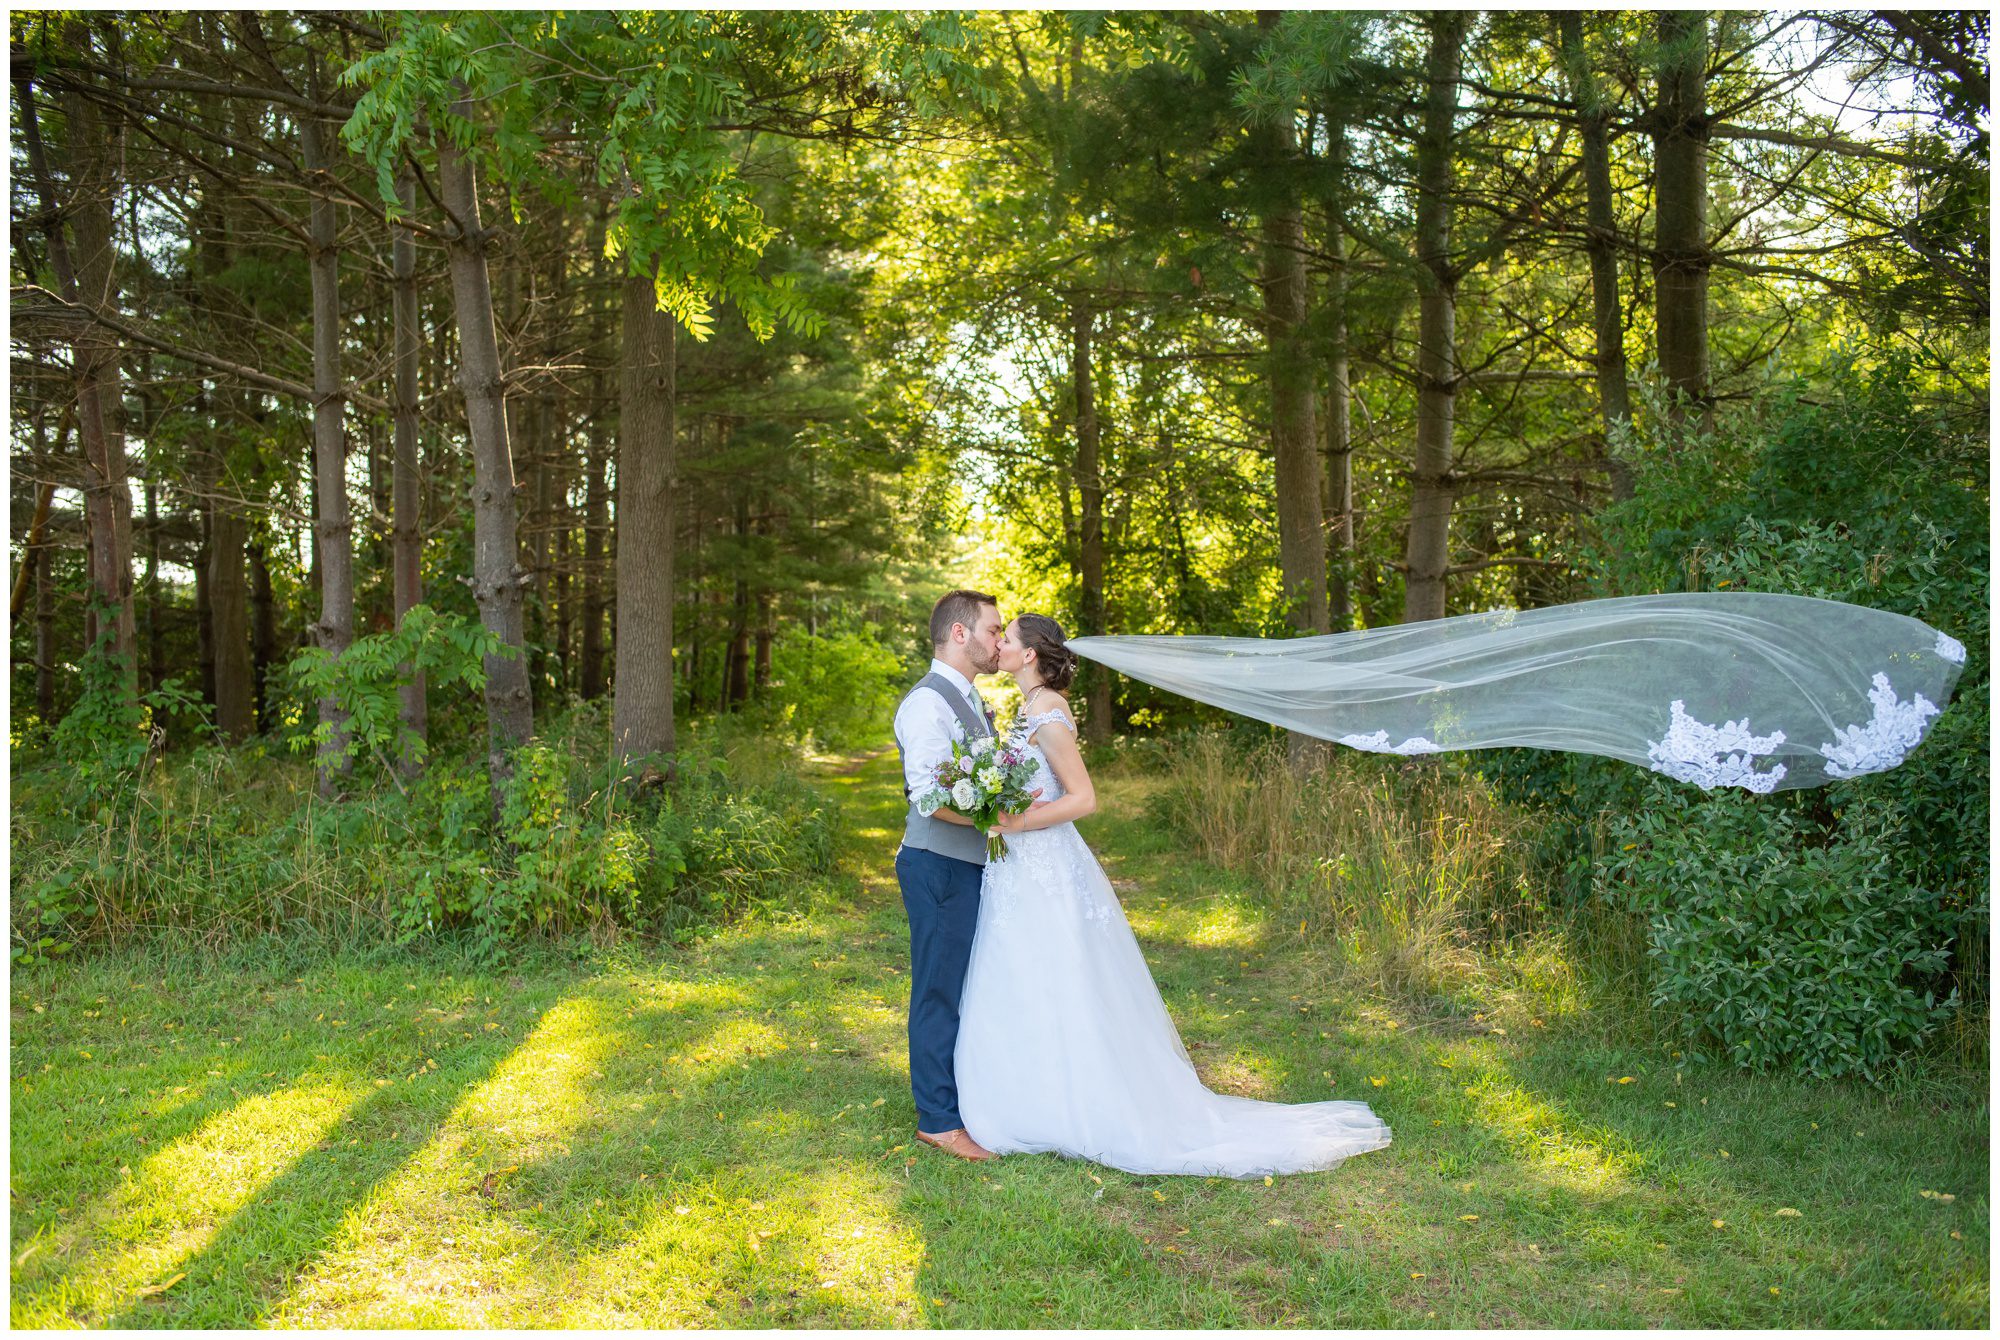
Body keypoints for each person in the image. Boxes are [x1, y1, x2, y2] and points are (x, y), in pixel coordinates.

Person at [952, 613, 1394, 1178]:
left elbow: (1084, 799)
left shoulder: (1046, 712)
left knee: (1059, 972)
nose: (999, 645)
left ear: (1030, 654)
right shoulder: (1030, 709)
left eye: (1007, 639)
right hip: (1021, 867)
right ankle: (1028, 1091)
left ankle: (1072, 1101)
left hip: (1043, 862)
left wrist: (1019, 823)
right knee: (1027, 971)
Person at [890, 589, 1007, 1162]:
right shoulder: (926, 705)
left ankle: (966, 1097)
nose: (1000, 642)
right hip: (937, 864)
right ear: (960, 634)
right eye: (993, 630)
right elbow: (930, 796)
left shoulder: (972, 700)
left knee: (966, 984)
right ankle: (937, 1119)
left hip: (967, 862)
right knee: (937, 989)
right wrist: (1002, 818)